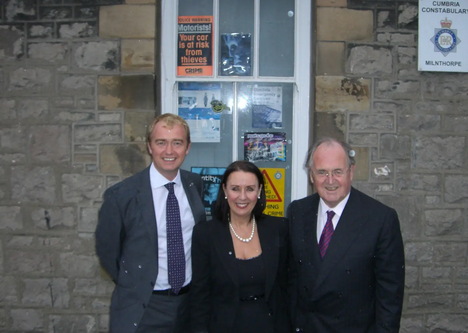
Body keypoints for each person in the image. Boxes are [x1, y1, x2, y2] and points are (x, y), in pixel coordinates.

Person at [95, 113, 206, 333]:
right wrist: (136, 282)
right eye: (161, 142)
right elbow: (108, 252)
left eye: (177, 143)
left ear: (188, 147)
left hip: (188, 305)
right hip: (144, 308)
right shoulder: (121, 196)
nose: (169, 151)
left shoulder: (195, 185)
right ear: (149, 146)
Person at [287, 137, 405, 333]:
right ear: (311, 175)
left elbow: (390, 295)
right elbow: (291, 279)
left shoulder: (381, 219)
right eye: (322, 172)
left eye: (337, 172)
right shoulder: (297, 212)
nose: (330, 180)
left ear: (351, 172)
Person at [190, 161, 290, 333]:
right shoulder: (205, 234)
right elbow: (200, 297)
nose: (242, 197)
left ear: (259, 191)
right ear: (224, 191)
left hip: (270, 326)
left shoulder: (279, 229)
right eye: (235, 188)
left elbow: (287, 286)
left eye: (250, 189)